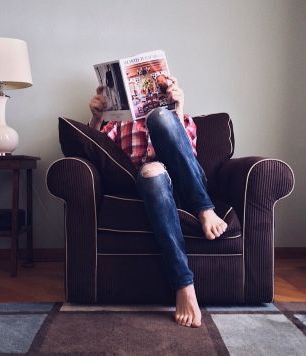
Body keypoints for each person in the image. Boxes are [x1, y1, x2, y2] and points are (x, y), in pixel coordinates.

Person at [88, 76, 227, 328]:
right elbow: (95, 150)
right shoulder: (121, 124)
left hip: (185, 185)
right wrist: (98, 117)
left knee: (160, 118)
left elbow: (189, 159)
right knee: (152, 172)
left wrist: (178, 109)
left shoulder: (179, 119)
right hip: (151, 185)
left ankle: (205, 208)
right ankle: (184, 286)